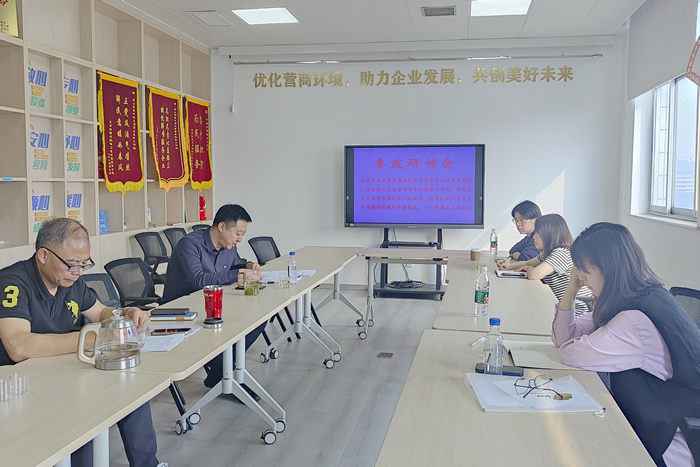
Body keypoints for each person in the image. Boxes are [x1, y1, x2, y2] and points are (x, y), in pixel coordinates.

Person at [0, 218, 166, 467]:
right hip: (21, 383)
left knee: (130, 386)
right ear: (43, 255)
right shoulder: (13, 282)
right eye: (72, 264)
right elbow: (19, 347)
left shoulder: (70, 281)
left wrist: (124, 315)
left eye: (84, 264)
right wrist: (94, 338)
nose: (78, 272)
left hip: (62, 369)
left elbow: (101, 313)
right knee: (83, 416)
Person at [551, 222, 700, 466]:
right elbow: (564, 338)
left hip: (668, 441)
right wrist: (571, 290)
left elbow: (570, 353)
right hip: (655, 420)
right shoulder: (641, 295)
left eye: (585, 270)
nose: (580, 277)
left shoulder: (632, 321)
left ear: (608, 269)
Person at [162, 204, 265, 393]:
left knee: (259, 319)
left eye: (242, 234)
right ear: (222, 227)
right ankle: (227, 378)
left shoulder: (229, 247)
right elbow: (199, 280)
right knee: (218, 337)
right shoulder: (190, 244)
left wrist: (248, 266)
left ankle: (220, 374)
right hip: (181, 310)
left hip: (212, 305)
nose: (240, 239)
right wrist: (237, 274)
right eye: (238, 233)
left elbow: (234, 265)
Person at [498, 213, 592, 315]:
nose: (534, 237)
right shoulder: (548, 252)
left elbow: (534, 275)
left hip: (575, 312)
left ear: (549, 234)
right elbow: (528, 262)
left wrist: (530, 269)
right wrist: (509, 266)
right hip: (560, 305)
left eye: (538, 233)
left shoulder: (562, 253)